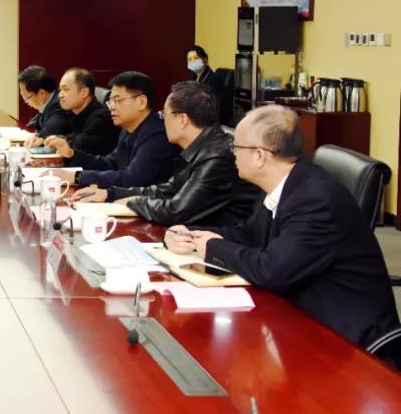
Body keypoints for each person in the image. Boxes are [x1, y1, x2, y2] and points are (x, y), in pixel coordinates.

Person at [165, 105, 398, 349]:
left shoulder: (315, 200)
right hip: (302, 318)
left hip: (349, 342)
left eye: (236, 147)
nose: (232, 153)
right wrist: (188, 235)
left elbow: (272, 270)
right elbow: (249, 234)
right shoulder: (285, 184)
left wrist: (213, 247)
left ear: (259, 155)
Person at [73, 81, 260, 226]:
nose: (162, 121)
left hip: (225, 242)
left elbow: (176, 210)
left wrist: (132, 202)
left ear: (183, 120)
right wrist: (109, 194)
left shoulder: (216, 155)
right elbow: (167, 190)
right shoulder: (201, 146)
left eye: (165, 115)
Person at [47, 71, 177, 189]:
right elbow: (109, 164)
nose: (112, 107)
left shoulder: (156, 135)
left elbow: (131, 179)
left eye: (118, 100)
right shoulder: (128, 129)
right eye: (110, 102)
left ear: (141, 102)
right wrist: (72, 154)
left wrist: (78, 177)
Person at [41, 68, 118, 156]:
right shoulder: (74, 113)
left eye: (65, 89)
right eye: (60, 90)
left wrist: (58, 141)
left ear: (84, 92)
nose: (60, 95)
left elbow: (79, 147)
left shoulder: (101, 118)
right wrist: (46, 139)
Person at [17, 65, 73, 146]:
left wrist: (38, 136)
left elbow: (52, 128)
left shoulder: (60, 103)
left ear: (42, 93)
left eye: (26, 97)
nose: (25, 101)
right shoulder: (50, 102)